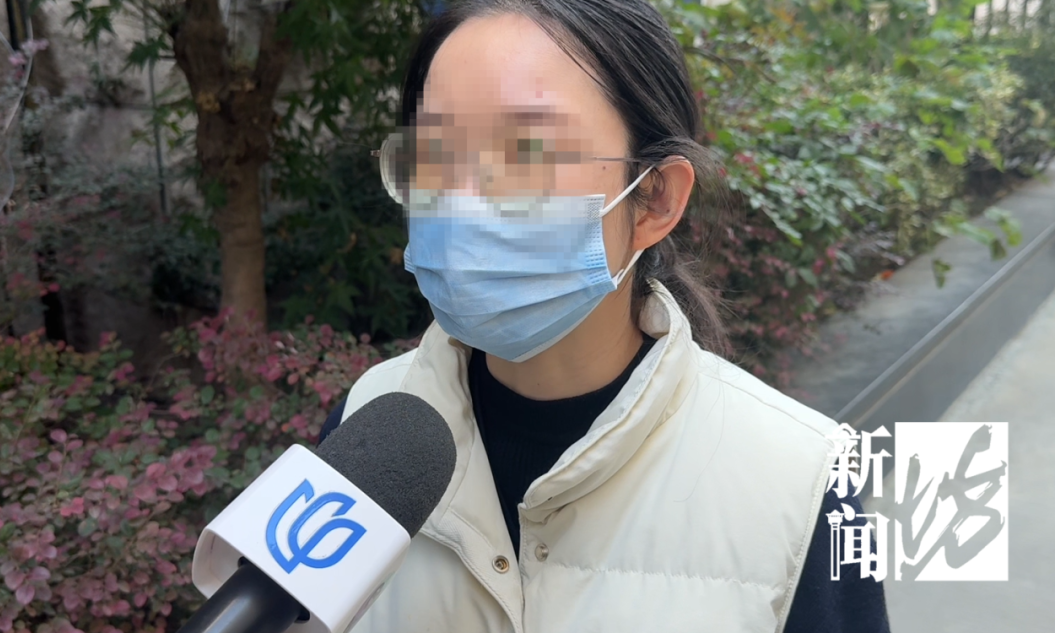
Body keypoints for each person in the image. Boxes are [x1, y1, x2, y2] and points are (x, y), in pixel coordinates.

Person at [321, 1, 891, 631]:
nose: (461, 197)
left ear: (655, 198)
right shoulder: (364, 424)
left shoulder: (800, 483)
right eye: (434, 155)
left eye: (526, 152)